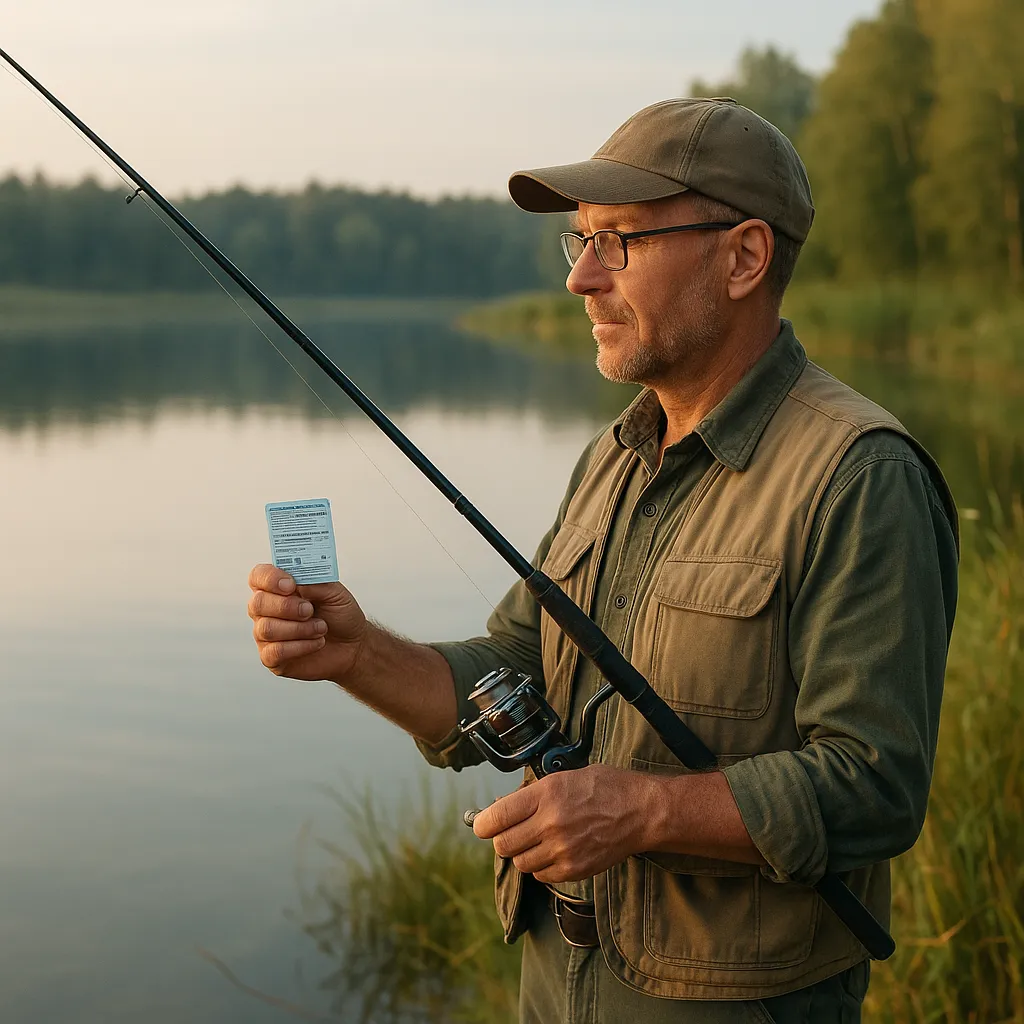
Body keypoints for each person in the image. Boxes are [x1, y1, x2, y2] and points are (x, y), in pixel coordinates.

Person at [247, 98, 959, 1023]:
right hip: (558, 989)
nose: (582, 277)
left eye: (619, 241)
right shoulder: (613, 456)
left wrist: (642, 811)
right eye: (579, 241)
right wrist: (355, 654)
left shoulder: (860, 475)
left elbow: (876, 786)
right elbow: (515, 671)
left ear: (744, 257)